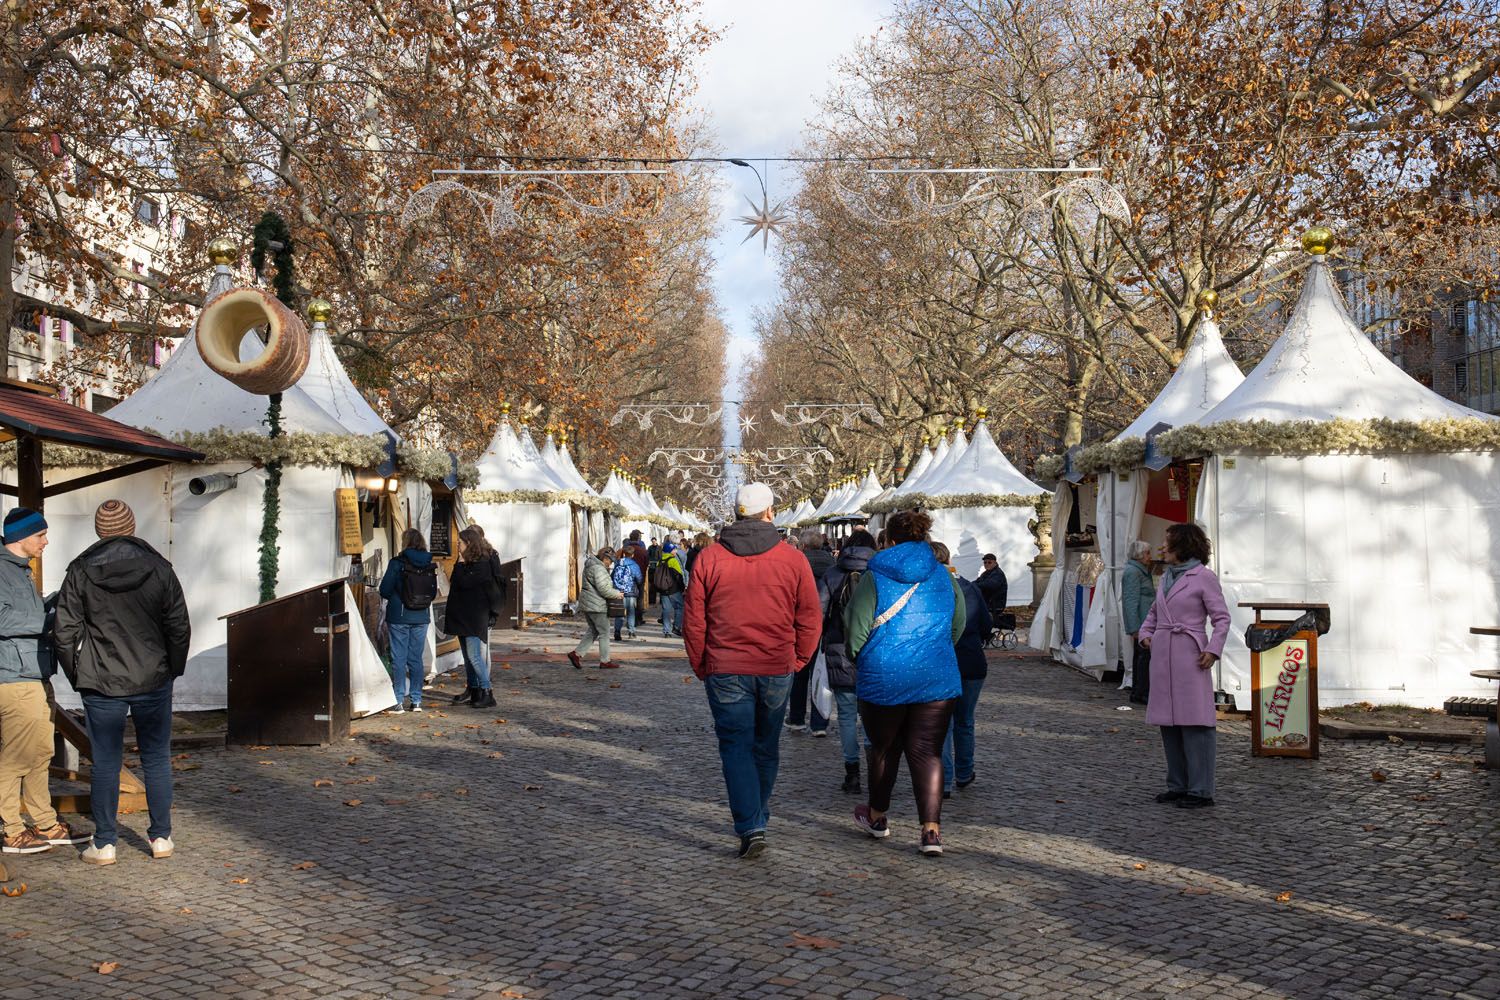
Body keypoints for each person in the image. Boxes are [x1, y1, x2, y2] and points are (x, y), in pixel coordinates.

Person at [684, 482, 820, 860]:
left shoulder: (709, 558)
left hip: (726, 666)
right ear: (770, 512)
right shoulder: (792, 559)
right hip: (776, 665)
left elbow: (694, 619)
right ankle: (756, 817)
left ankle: (751, 822)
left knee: (736, 747)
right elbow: (809, 616)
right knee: (764, 745)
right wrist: (799, 659)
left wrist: (701, 662)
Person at [54, 500, 190, 865]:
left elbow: (64, 632)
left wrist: (78, 674)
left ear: (99, 531)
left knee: (105, 762)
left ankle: (105, 843)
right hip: (152, 677)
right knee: (157, 758)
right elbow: (178, 625)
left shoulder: (80, 571)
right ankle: (161, 838)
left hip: (101, 681)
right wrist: (172, 668)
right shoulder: (160, 567)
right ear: (131, 527)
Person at [844, 510, 965, 857]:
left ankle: (878, 817)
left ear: (889, 539)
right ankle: (931, 832)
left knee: (884, 750)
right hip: (936, 677)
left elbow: (856, 628)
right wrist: (938, 651)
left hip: (883, 674)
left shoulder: (875, 575)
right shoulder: (944, 576)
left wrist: (859, 657)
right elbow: (958, 622)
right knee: (927, 752)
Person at [0, 508, 89, 855]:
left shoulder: (19, 571)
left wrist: (56, 602)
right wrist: (47, 616)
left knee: (39, 753)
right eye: (41, 535)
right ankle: (10, 830)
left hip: (33, 675)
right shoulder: (3, 570)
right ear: (21, 536)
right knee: (17, 757)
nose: (46, 541)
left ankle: (44, 823)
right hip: (14, 679)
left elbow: (26, 613)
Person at [1138, 523, 1231, 809]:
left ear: (1183, 545)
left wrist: (1213, 650)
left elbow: (1222, 618)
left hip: (1191, 655)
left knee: (1195, 723)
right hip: (1163, 656)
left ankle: (1201, 789)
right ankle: (1177, 784)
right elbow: (1154, 613)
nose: (1162, 548)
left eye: (1167, 542)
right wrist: (1145, 634)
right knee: (1169, 723)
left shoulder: (1204, 577)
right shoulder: (1166, 577)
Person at [819, 528, 877, 793]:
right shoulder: (880, 575)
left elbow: (818, 612)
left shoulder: (832, 574)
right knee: (872, 715)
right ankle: (876, 769)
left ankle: (852, 772)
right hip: (873, 650)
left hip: (838, 648)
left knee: (845, 714)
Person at [934, 541, 992, 797]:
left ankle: (945, 779)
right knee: (965, 721)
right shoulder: (970, 586)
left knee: (944, 722)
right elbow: (986, 625)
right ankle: (964, 772)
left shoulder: (933, 588)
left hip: (944, 661)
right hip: (972, 660)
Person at [444, 525, 505, 709]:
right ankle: (475, 688)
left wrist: (461, 564)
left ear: (469, 544)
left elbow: (465, 583)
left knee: (475, 656)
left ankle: (487, 691)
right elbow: (454, 580)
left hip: (474, 617)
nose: (457, 546)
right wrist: (460, 563)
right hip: (462, 616)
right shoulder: (465, 562)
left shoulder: (482, 564)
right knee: (468, 657)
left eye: (460, 543)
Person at [380, 528, 436, 713]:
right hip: (421, 615)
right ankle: (416, 700)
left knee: (399, 658)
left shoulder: (397, 563)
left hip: (399, 615)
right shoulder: (429, 563)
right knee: (416, 659)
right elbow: (433, 592)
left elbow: (384, 590)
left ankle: (398, 700)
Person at [785, 528, 836, 735]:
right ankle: (819, 723)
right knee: (821, 675)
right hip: (827, 627)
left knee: (799, 674)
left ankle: (797, 717)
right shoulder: (832, 565)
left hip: (800, 626)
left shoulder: (796, 563)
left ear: (803, 546)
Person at [569, 547, 623, 670]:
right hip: (597, 605)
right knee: (604, 632)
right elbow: (603, 589)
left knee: (593, 630)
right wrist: (617, 593)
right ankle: (605, 661)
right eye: (610, 560)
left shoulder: (590, 564)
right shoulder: (598, 568)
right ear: (605, 558)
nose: (611, 563)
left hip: (588, 603)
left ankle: (576, 654)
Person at [1122, 539, 1156, 706]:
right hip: (1142, 622)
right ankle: (1141, 692)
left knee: (1142, 657)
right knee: (1144, 658)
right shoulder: (1133, 572)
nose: (1150, 557)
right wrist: (1134, 627)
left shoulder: (1139, 571)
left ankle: (1139, 691)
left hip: (1144, 621)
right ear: (1140, 555)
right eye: (1147, 553)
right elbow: (1130, 600)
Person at [611, 546, 643, 642]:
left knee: (619, 613)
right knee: (631, 612)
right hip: (631, 591)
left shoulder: (618, 563)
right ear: (632, 555)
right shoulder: (634, 565)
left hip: (619, 592)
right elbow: (639, 579)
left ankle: (617, 632)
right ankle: (631, 631)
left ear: (624, 554)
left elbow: (612, 576)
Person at [656, 540, 686, 637]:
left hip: (663, 590)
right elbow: (679, 576)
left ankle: (666, 631)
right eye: (674, 549)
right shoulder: (673, 561)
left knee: (666, 610)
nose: (675, 551)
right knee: (680, 607)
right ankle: (676, 627)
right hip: (674, 589)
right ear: (670, 551)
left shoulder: (659, 561)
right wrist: (682, 588)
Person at [975, 553, 1008, 617]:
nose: (987, 564)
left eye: (989, 562)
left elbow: (990, 585)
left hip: (994, 604)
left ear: (995, 563)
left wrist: (976, 585)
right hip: (987, 602)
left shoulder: (998, 574)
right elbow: (977, 581)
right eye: (985, 562)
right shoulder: (985, 573)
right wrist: (969, 584)